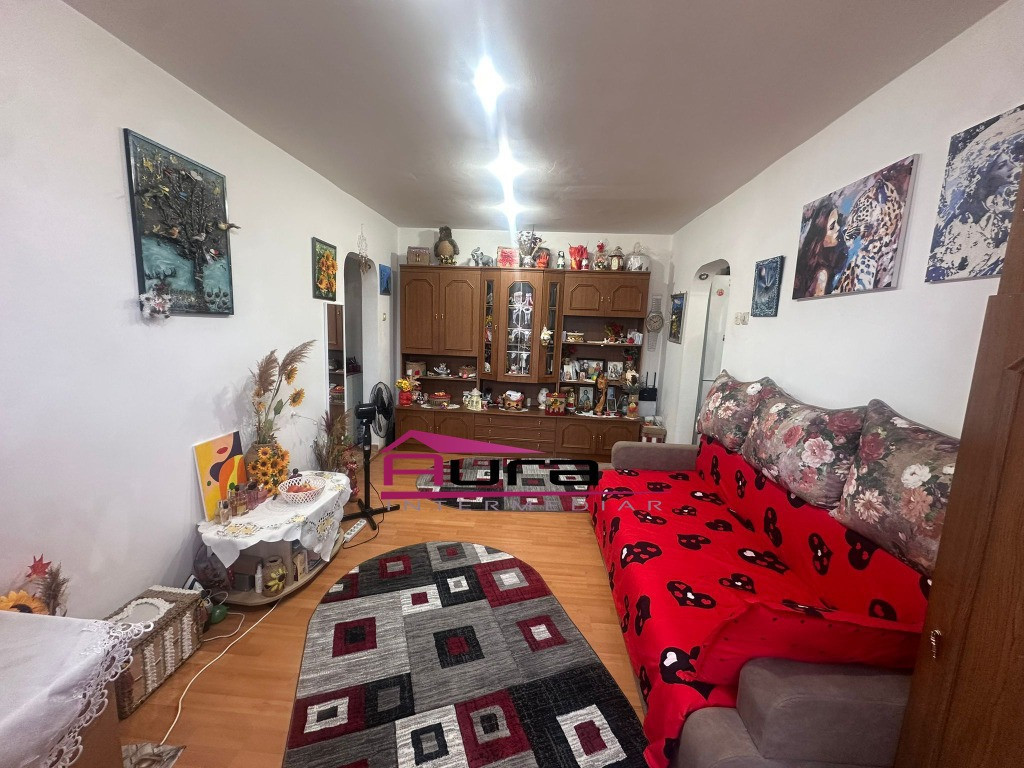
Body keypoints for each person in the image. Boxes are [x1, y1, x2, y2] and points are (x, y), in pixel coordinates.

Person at [794, 200, 848, 298]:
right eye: (832, 226)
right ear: (820, 235)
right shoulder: (821, 275)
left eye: (837, 222)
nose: (838, 228)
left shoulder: (831, 259)